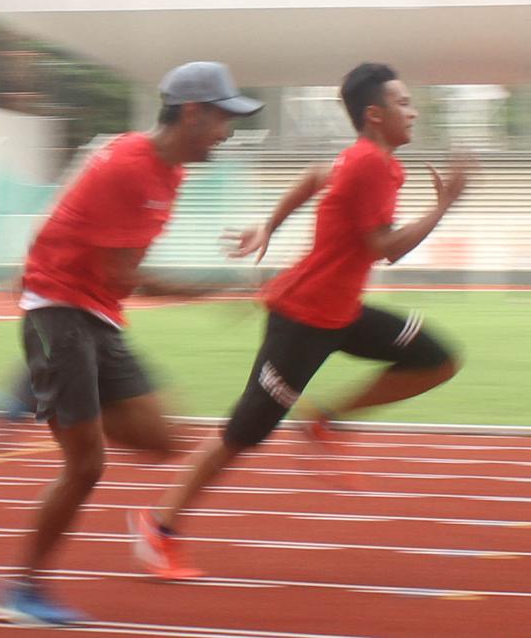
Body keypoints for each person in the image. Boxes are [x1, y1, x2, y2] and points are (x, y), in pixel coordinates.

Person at [131, 62, 470, 580]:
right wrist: (443, 206)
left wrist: (270, 222)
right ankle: (159, 525)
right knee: (244, 433)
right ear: (375, 116)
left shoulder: (370, 160)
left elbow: (315, 177)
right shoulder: (369, 165)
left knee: (437, 358)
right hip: (302, 318)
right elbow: (386, 249)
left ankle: (325, 421)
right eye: (403, 103)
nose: (414, 110)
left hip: (343, 312)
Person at [0, 62, 263, 625]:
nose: (227, 132)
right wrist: (219, 291)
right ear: (191, 113)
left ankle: (36, 390)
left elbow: (90, 240)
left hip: (97, 315)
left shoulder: (169, 171)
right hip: (58, 311)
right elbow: (123, 275)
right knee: (86, 465)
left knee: (162, 439)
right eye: (222, 118)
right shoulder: (130, 168)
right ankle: (18, 588)